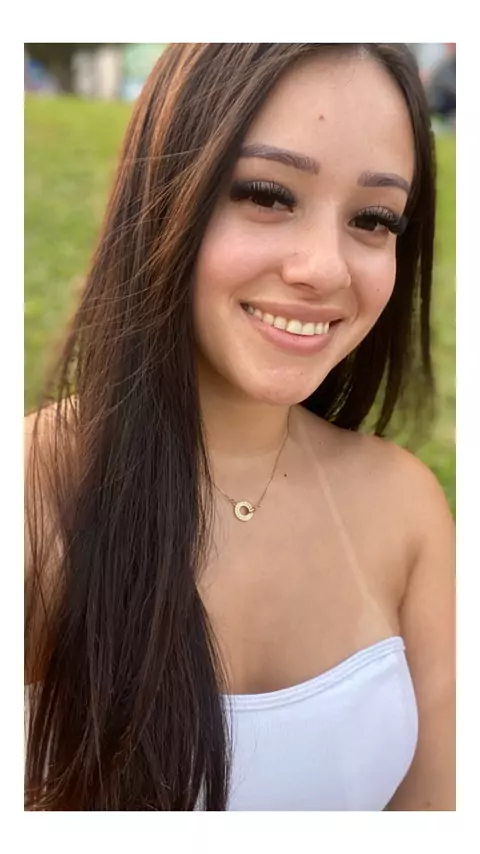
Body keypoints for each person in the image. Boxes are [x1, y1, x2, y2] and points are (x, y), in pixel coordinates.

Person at [24, 43, 455, 811]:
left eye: (373, 218)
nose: (324, 268)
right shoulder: (29, 495)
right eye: (267, 194)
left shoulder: (407, 511)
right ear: (164, 193)